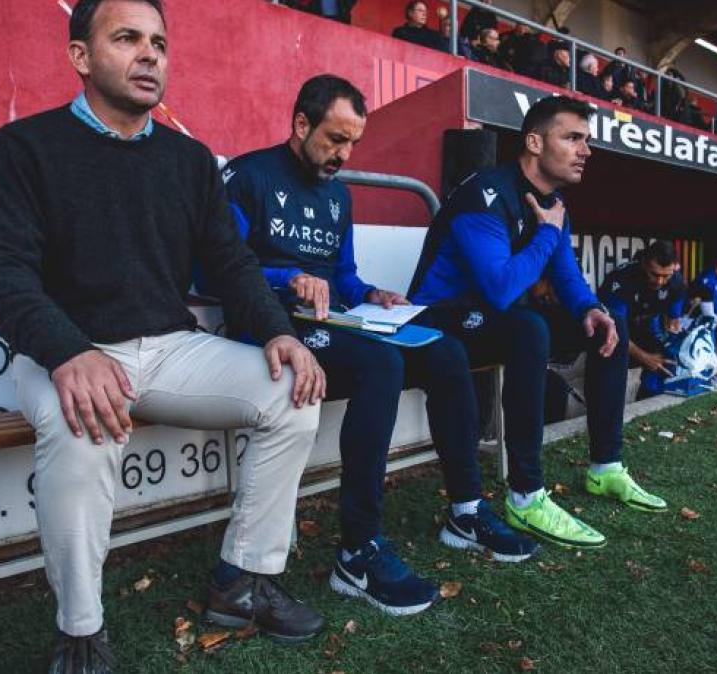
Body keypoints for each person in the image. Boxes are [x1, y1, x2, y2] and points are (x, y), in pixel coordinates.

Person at [0, 0, 328, 671]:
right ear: (80, 54)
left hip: (168, 349)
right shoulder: (28, 145)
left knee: (292, 393)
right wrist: (69, 352)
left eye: (158, 43)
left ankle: (241, 582)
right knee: (83, 430)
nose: (148, 56)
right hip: (66, 351)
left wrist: (276, 330)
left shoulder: (190, 159)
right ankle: (80, 632)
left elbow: (230, 262)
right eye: (127, 39)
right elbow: (0, 272)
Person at [223, 75, 538, 616]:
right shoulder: (246, 177)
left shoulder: (338, 194)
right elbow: (217, 268)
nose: (343, 155)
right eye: (334, 140)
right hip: (269, 326)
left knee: (443, 350)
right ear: (301, 124)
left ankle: (465, 509)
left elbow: (342, 274)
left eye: (353, 144)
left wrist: (370, 293)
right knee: (380, 363)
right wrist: (286, 278)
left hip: (333, 323)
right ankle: (358, 549)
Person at [410, 96, 670, 551]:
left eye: (586, 140)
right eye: (572, 138)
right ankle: (527, 494)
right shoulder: (485, 193)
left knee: (611, 321)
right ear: (534, 141)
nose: (585, 150)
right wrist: (547, 231)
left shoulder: (553, 204)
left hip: (495, 318)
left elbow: (567, 276)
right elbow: (499, 289)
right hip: (442, 317)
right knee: (529, 327)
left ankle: (605, 467)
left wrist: (589, 308)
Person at [598, 242, 687, 399]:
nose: (660, 282)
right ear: (644, 264)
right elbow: (613, 332)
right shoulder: (621, 280)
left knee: (664, 364)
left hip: (648, 328)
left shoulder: (677, 282)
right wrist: (645, 358)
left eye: (666, 276)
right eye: (655, 274)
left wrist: (673, 349)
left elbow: (673, 323)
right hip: (611, 333)